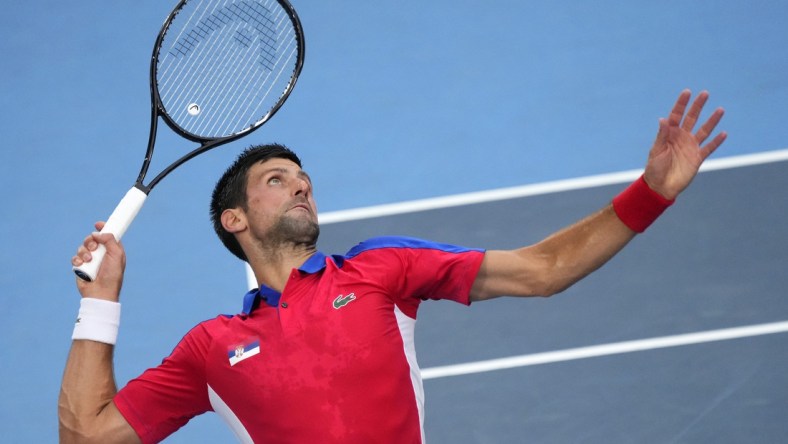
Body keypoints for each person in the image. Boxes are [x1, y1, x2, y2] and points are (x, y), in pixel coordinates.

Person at [60, 90, 726, 443]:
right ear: (234, 220)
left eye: (304, 178)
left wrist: (653, 193)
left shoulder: (382, 270)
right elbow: (87, 439)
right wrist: (101, 302)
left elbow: (543, 269)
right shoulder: (210, 349)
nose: (301, 186)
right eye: (277, 178)